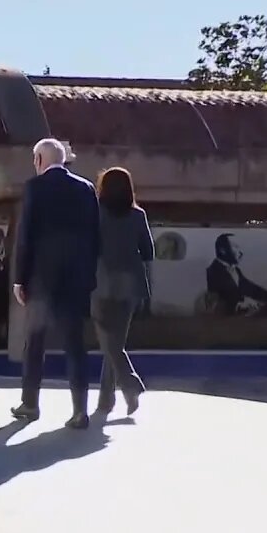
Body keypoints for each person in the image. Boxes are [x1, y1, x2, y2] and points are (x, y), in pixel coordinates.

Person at [11, 138, 101, 429]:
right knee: (75, 345)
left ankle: (30, 403)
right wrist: (88, 277)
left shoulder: (35, 188)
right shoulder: (86, 188)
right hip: (75, 280)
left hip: (42, 279)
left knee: (34, 343)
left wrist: (20, 279)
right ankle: (80, 410)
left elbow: (26, 236)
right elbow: (96, 238)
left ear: (39, 159)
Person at [91, 167, 153, 415]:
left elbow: (87, 245)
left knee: (109, 344)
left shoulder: (94, 213)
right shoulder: (138, 215)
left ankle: (129, 384)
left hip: (100, 280)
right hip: (130, 284)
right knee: (115, 342)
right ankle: (107, 401)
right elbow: (148, 251)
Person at [205, 233, 267, 316]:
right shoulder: (212, 271)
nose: (241, 252)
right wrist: (241, 302)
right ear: (222, 250)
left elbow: (252, 289)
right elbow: (218, 301)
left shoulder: (235, 270)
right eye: (236, 247)